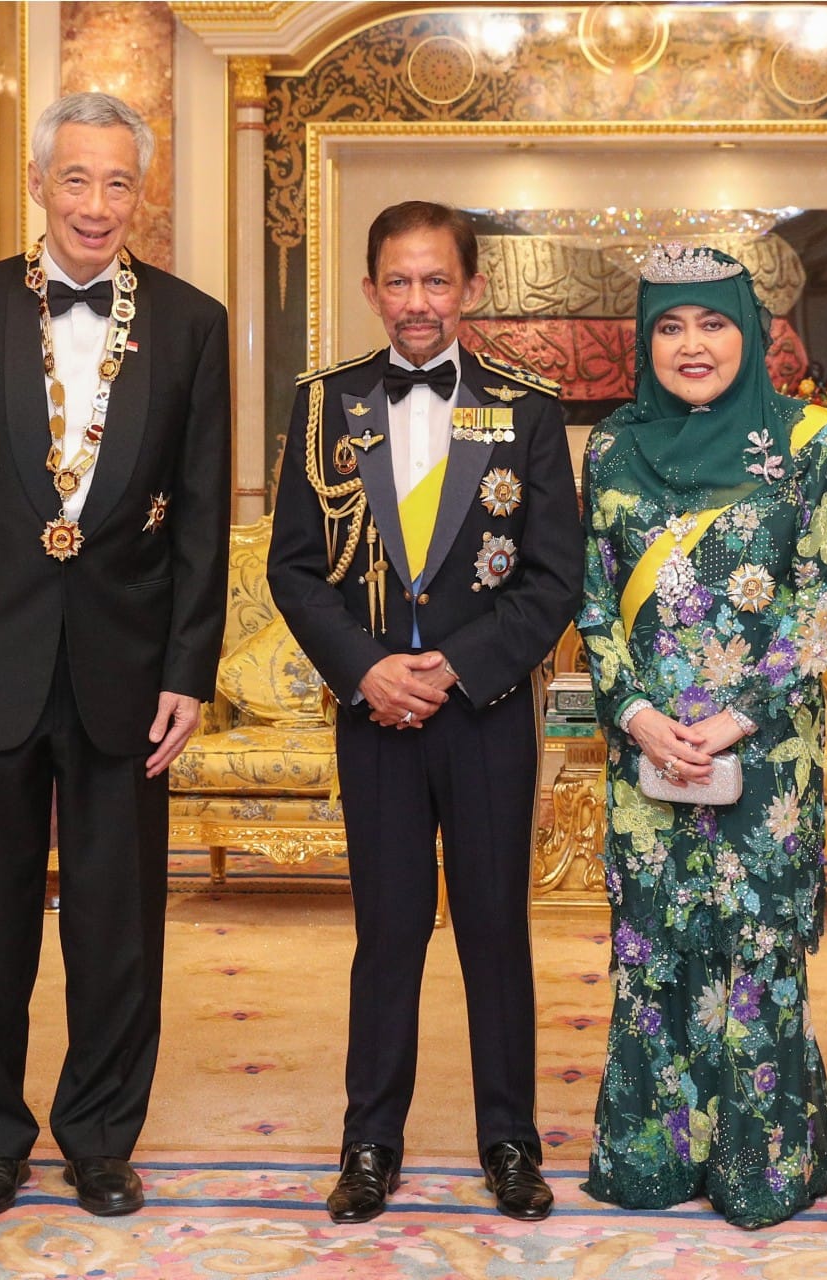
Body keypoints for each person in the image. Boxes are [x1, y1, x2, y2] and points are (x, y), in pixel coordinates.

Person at [0, 91, 231, 1219]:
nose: (97, 204)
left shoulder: (192, 322)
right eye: (77, 179)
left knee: (117, 918)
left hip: (128, 669)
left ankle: (99, 1133)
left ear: (143, 193)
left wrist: (190, 669)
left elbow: (200, 521)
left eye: (119, 182)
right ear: (38, 183)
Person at [266, 200, 583, 1224]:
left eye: (435, 281)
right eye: (397, 282)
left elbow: (552, 577)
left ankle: (509, 1140)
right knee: (388, 931)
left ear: (471, 289)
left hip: (484, 713)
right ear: (370, 291)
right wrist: (367, 670)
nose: (416, 301)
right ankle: (370, 1142)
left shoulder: (526, 409)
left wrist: (454, 666)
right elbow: (296, 571)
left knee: (496, 929)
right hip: (375, 715)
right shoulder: (325, 405)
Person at [576, 243, 827, 1229]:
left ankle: (760, 1163)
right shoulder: (610, 445)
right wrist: (645, 716)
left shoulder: (811, 439)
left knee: (757, 945)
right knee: (659, 954)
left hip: (766, 751)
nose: (691, 344)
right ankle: (655, 1154)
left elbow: (823, 605)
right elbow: (594, 599)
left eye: (713, 321)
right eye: (669, 325)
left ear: (753, 327)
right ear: (645, 338)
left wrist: (732, 717)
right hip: (645, 748)